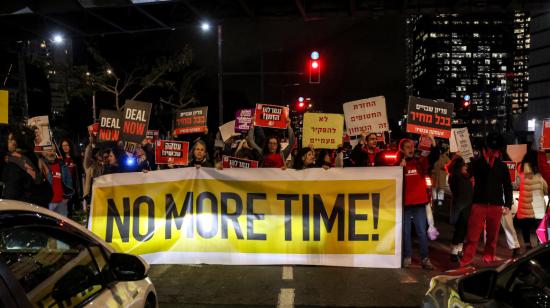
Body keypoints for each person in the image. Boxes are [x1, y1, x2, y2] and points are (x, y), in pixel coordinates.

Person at [460, 133, 513, 267]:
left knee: (492, 238)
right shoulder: (477, 163)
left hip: (496, 206)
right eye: (491, 149)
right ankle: (466, 261)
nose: (493, 152)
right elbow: (467, 174)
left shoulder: (502, 166)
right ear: (486, 149)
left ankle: (489, 260)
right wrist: (463, 167)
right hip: (479, 204)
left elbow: (507, 186)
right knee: (472, 236)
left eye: (495, 150)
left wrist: (508, 204)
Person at [395, 136, 437, 270]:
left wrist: (432, 141)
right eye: (407, 147)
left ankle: (425, 259)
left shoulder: (420, 162)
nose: (411, 149)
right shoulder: (398, 164)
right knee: (406, 232)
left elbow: (434, 156)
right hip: (405, 204)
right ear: (401, 149)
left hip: (419, 203)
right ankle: (407, 257)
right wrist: (399, 168)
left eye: (412, 146)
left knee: (421, 232)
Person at [1, 125, 52, 207]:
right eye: (9, 140)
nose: (11, 142)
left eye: (12, 139)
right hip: (37, 208)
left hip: (24, 211)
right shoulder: (31, 158)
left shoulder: (15, 162)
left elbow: (11, 195)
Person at [516, 150, 548, 253]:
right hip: (537, 201)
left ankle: (527, 244)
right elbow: (545, 187)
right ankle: (540, 244)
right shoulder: (539, 171)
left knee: (525, 225)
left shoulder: (520, 168)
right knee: (539, 225)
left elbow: (518, 183)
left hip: (525, 202)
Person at [447, 155, 473, 262]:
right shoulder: (455, 177)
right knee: (459, 230)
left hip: (467, 206)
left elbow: (471, 171)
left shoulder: (464, 176)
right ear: (459, 166)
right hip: (460, 207)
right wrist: (459, 157)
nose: (466, 167)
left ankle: (458, 250)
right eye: (464, 165)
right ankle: (453, 252)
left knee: (464, 230)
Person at [42, 149, 74, 216]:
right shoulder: (42, 165)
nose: (51, 153)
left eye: (53, 151)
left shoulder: (62, 165)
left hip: (61, 201)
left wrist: (67, 197)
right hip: (48, 202)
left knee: (62, 224)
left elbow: (69, 180)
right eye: (49, 150)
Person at [59, 138, 82, 216]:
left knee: (75, 211)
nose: (65, 147)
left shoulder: (76, 159)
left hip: (75, 188)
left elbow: (80, 174)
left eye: (67, 145)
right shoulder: (60, 160)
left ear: (70, 146)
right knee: (66, 212)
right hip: (65, 189)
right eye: (63, 146)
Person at [83, 136, 105, 205]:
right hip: (91, 193)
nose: (100, 154)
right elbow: (87, 155)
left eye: (100, 153)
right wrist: (90, 144)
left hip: (101, 192)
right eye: (98, 153)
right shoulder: (89, 164)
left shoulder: (103, 165)